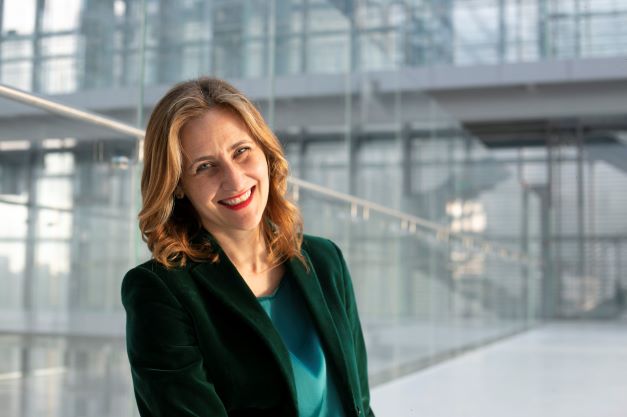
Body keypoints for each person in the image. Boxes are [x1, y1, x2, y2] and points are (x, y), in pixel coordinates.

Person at [122, 77, 374, 417]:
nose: (235, 179)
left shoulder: (325, 260)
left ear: (265, 152)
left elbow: (361, 405)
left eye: (241, 151)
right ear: (178, 185)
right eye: (205, 166)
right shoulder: (160, 290)